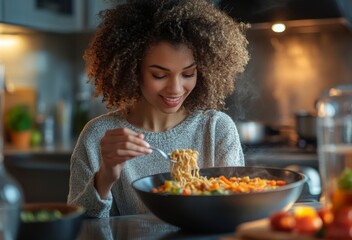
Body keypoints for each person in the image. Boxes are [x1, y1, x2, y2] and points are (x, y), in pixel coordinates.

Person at [68, 0, 249, 218]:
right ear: (133, 71)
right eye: (159, 75)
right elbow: (80, 226)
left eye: (188, 73)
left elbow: (234, 211)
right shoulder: (98, 135)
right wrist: (105, 177)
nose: (175, 89)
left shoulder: (216, 128)